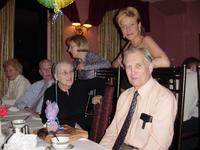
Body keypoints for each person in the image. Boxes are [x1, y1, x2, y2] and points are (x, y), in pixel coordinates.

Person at [100, 47, 177, 150]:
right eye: (128, 67)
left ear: (150, 68)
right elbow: (112, 132)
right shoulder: (124, 96)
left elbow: (158, 145)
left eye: (138, 66)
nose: (133, 71)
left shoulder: (163, 99)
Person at [112, 7, 170, 91]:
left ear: (139, 25)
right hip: (130, 89)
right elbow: (114, 65)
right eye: (124, 26)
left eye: (131, 24)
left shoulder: (146, 40)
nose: (128, 29)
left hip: (147, 89)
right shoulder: (128, 45)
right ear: (121, 31)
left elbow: (165, 62)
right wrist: (119, 61)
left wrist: (138, 65)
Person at [40, 61, 103, 131]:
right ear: (56, 77)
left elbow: (101, 82)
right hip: (62, 131)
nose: (69, 75)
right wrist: (73, 125)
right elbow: (45, 118)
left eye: (71, 71)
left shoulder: (80, 85)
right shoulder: (51, 92)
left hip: (84, 131)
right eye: (65, 72)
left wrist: (98, 95)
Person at [181, 57, 200, 150]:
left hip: (171, 121)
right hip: (184, 123)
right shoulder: (196, 76)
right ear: (193, 67)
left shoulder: (177, 75)